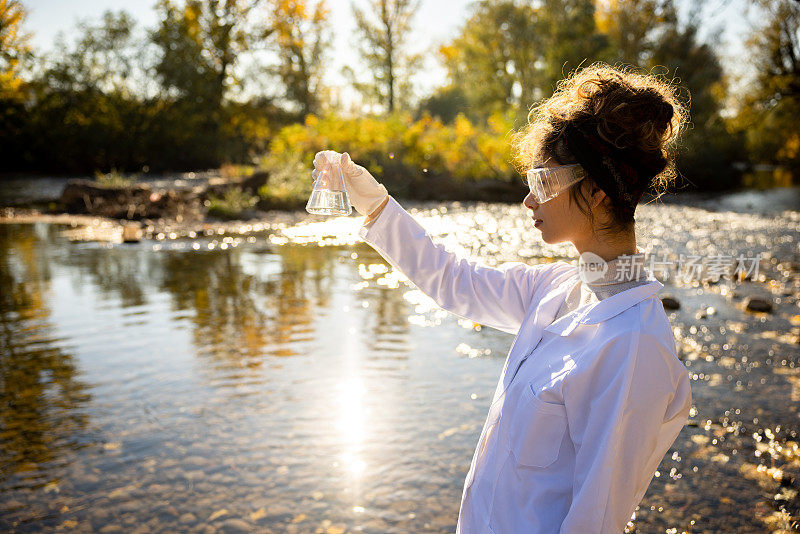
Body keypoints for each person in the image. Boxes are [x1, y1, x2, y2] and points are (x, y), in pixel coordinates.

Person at [313, 63, 692, 533]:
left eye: (543, 182)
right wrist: (375, 205)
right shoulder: (556, 288)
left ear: (595, 191)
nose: (528, 201)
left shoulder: (634, 346)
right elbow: (454, 281)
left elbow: (595, 521)